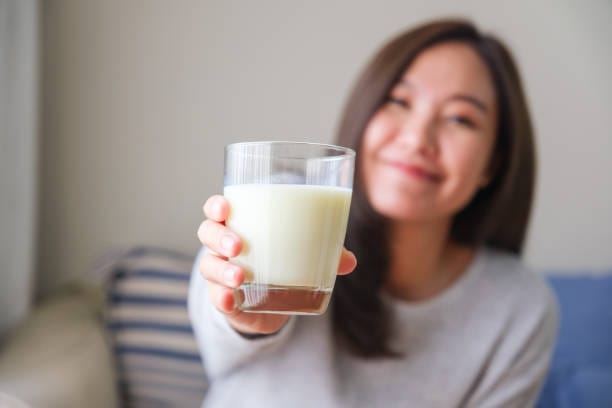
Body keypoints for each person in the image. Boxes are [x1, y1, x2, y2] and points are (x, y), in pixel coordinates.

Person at [189, 19, 558, 407]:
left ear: (492, 164)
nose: (417, 139)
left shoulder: (519, 306)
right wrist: (246, 322)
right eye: (399, 101)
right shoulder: (274, 201)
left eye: (460, 119)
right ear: (364, 114)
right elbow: (218, 339)